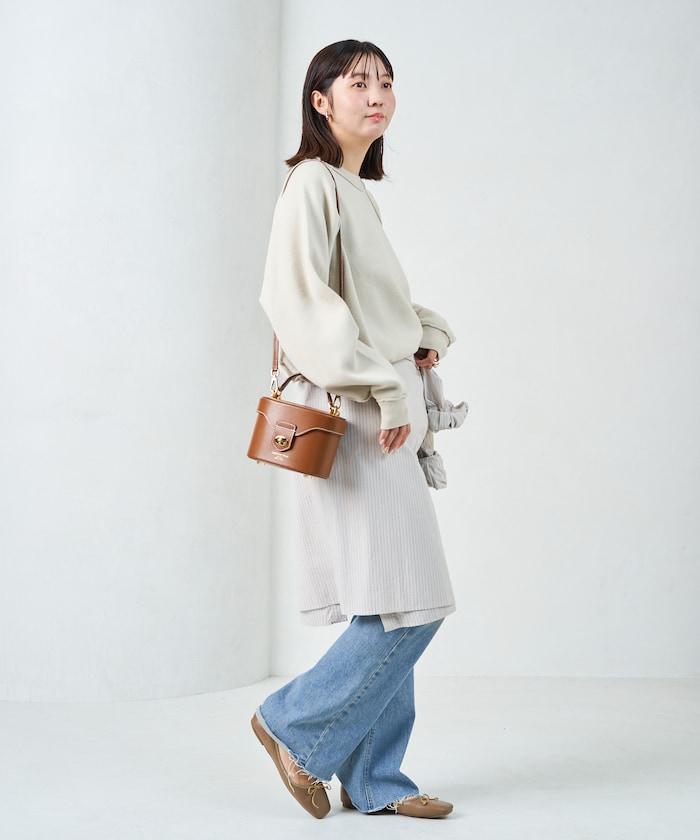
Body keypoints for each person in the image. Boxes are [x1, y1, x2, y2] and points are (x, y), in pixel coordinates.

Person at [251, 39, 457, 819]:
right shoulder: (312, 182)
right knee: (416, 601)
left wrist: (421, 334)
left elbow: (370, 304)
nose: (377, 95)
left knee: (390, 597)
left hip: (380, 411)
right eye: (358, 82)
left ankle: (375, 781)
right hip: (365, 416)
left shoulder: (348, 188)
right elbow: (298, 303)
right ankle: (294, 722)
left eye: (387, 83)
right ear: (320, 99)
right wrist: (386, 387)